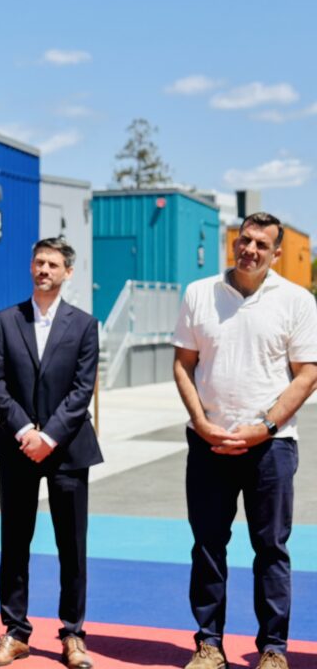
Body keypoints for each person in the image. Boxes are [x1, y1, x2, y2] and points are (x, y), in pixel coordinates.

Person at [173, 212, 317, 669]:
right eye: (244, 240)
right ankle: (209, 644)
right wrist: (200, 421)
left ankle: (273, 649)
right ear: (234, 242)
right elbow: (183, 364)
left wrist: (266, 427)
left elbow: (308, 375)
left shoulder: (296, 300)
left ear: (277, 253)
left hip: (271, 448)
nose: (250, 250)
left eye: (261, 244)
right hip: (209, 442)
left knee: (271, 548)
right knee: (208, 544)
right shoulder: (200, 293)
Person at [0, 237, 102, 669]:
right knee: (14, 542)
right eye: (38, 262)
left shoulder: (85, 325)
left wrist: (47, 436)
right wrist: (23, 430)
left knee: (71, 546)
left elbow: (82, 389)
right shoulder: (5, 320)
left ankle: (73, 634)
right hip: (16, 448)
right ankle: (15, 632)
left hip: (68, 448)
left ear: (68, 272)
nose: (44, 270)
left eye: (52, 264)